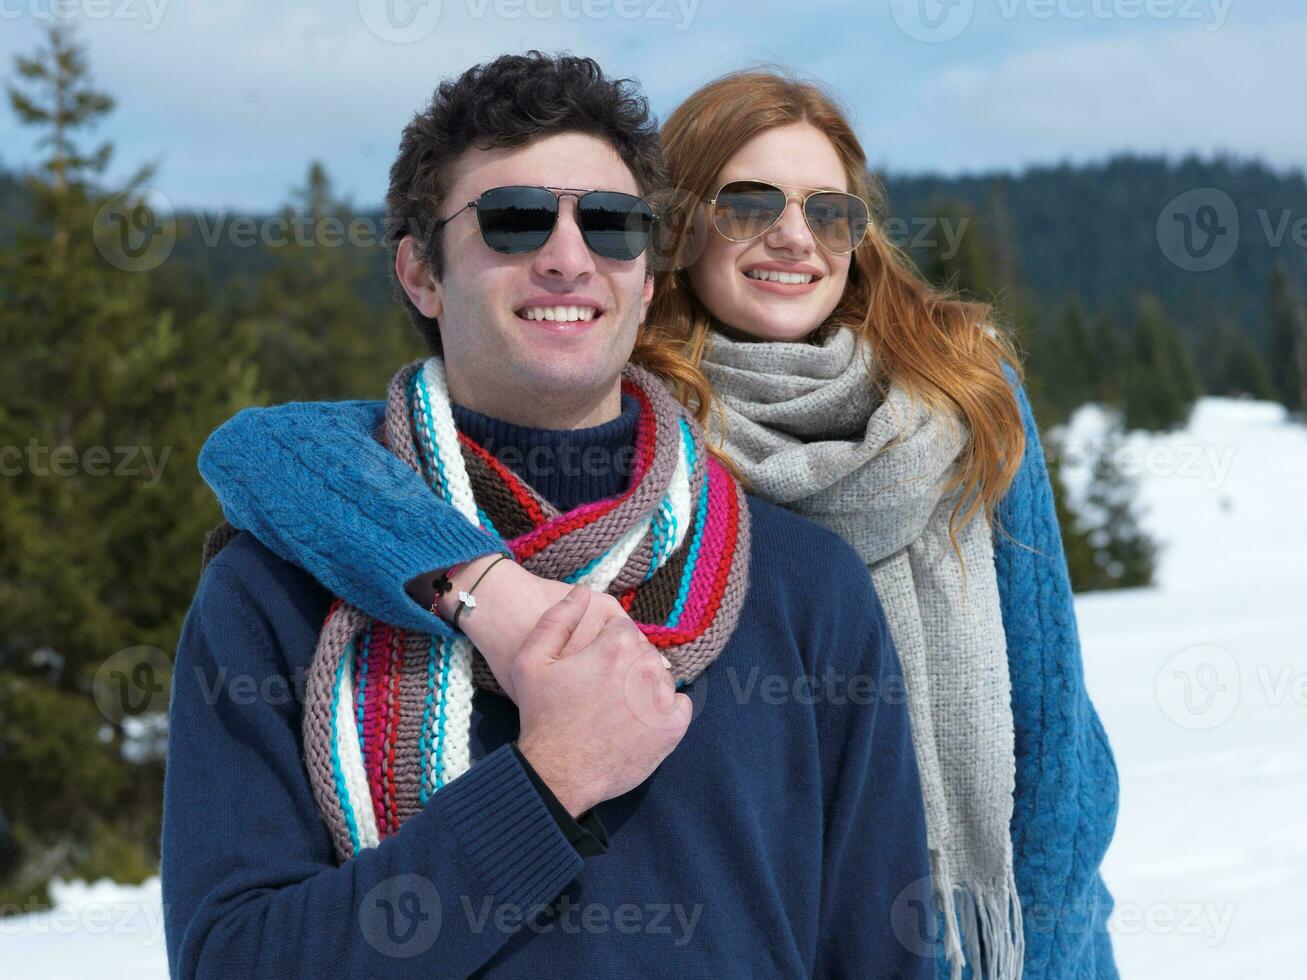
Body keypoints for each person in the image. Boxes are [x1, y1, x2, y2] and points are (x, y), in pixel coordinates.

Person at [200, 63, 1122, 980]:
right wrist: (531, 733)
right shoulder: (293, 576)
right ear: (419, 271)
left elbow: (1043, 743)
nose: (568, 256)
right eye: (514, 219)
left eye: (608, 224)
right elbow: (268, 448)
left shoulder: (902, 467)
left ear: (642, 269)